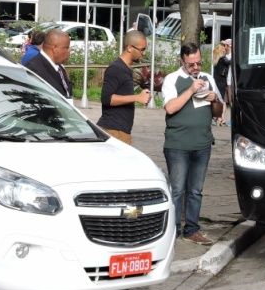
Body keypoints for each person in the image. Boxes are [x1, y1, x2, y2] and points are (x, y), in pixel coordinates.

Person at [162, 43, 222, 246]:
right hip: (178, 144)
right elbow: (170, 108)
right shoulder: (172, 79)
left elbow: (218, 112)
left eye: (198, 63)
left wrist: (215, 100)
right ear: (182, 61)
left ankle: (192, 229)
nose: (196, 67)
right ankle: (173, 230)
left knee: (196, 190)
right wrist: (190, 89)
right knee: (178, 189)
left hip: (202, 143)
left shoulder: (209, 78)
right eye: (191, 64)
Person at [97, 30, 151, 144]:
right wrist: (137, 98)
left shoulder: (125, 69)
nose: (144, 53)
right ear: (130, 48)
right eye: (142, 49)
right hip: (114, 131)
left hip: (120, 131)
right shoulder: (116, 68)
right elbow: (107, 99)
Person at [25, 28, 73, 100]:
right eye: (66, 47)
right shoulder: (34, 70)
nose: (69, 51)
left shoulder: (59, 67)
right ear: (55, 49)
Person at [212, 39, 231, 125]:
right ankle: (220, 118)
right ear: (221, 50)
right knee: (222, 101)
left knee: (219, 100)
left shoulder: (217, 59)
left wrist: (223, 43)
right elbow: (230, 62)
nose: (225, 49)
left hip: (217, 80)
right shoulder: (223, 59)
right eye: (224, 48)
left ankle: (219, 118)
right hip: (222, 81)